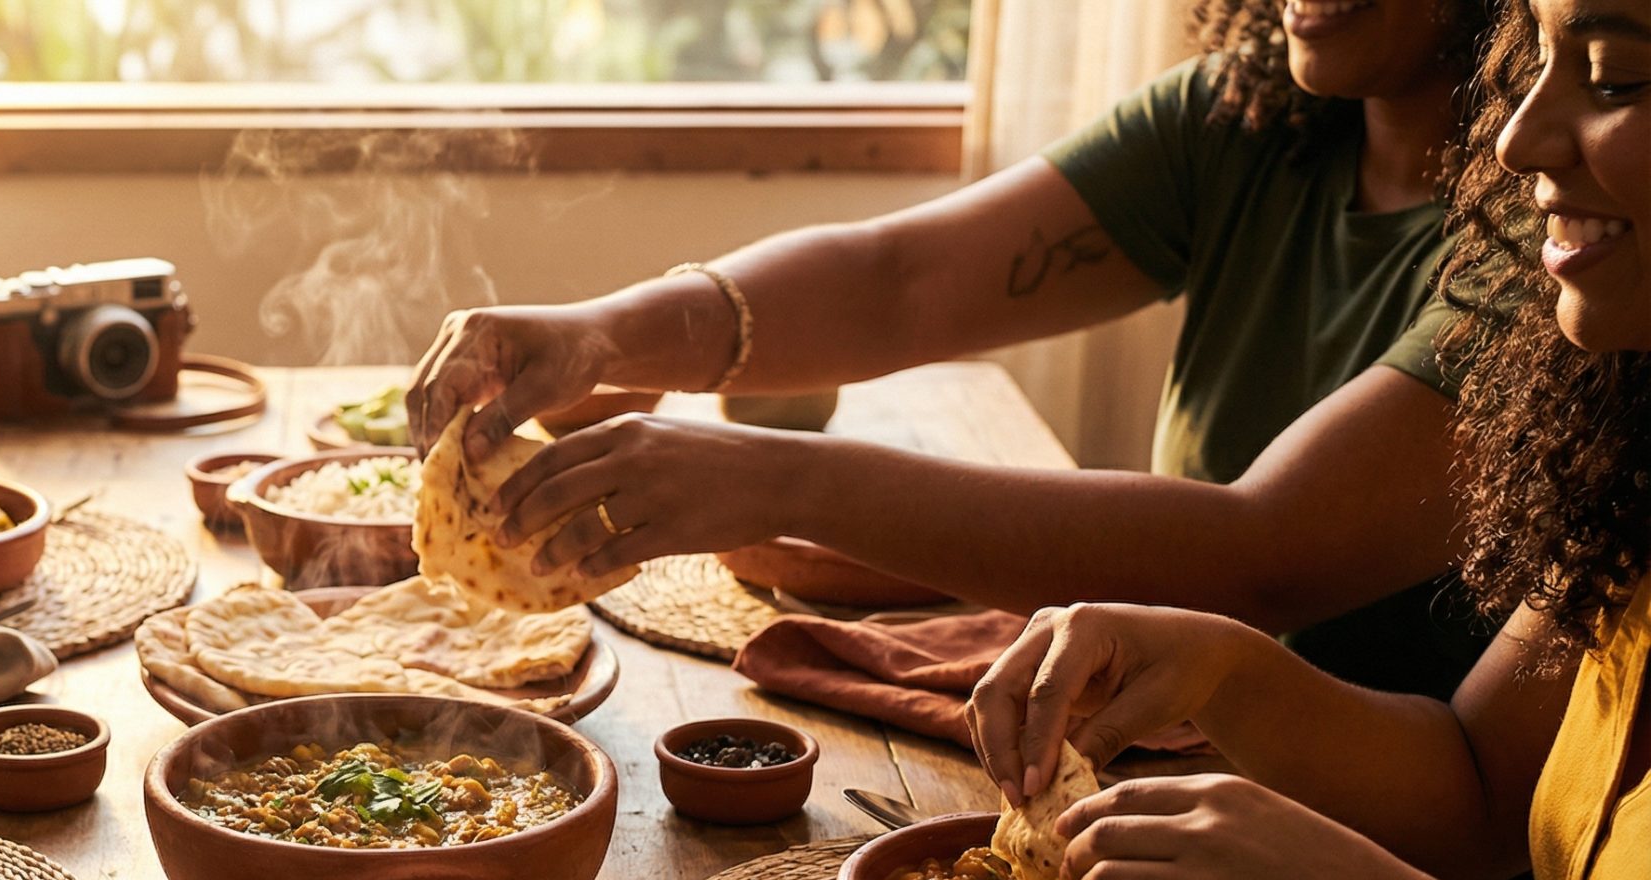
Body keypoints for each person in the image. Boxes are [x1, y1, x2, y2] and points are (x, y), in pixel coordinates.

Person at [964, 0, 1649, 880]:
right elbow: (1481, 787)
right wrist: (1228, 672)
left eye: (1614, 78)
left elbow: (1262, 541)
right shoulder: (1632, 463)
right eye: (1531, 68)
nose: (1519, 140)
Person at [408, 0, 1497, 702]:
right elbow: (900, 283)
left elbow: (1263, 556)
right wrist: (601, 331)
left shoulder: (1562, 248)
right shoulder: (1249, 118)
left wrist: (777, 481)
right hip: (1178, 762)